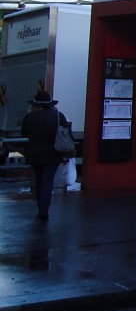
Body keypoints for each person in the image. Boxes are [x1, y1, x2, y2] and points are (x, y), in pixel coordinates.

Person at [20, 90, 71, 221]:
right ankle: (44, 209)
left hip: (34, 154)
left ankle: (40, 206)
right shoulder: (58, 116)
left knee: (38, 180)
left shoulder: (29, 117)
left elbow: (24, 134)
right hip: (53, 154)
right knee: (48, 181)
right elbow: (68, 134)